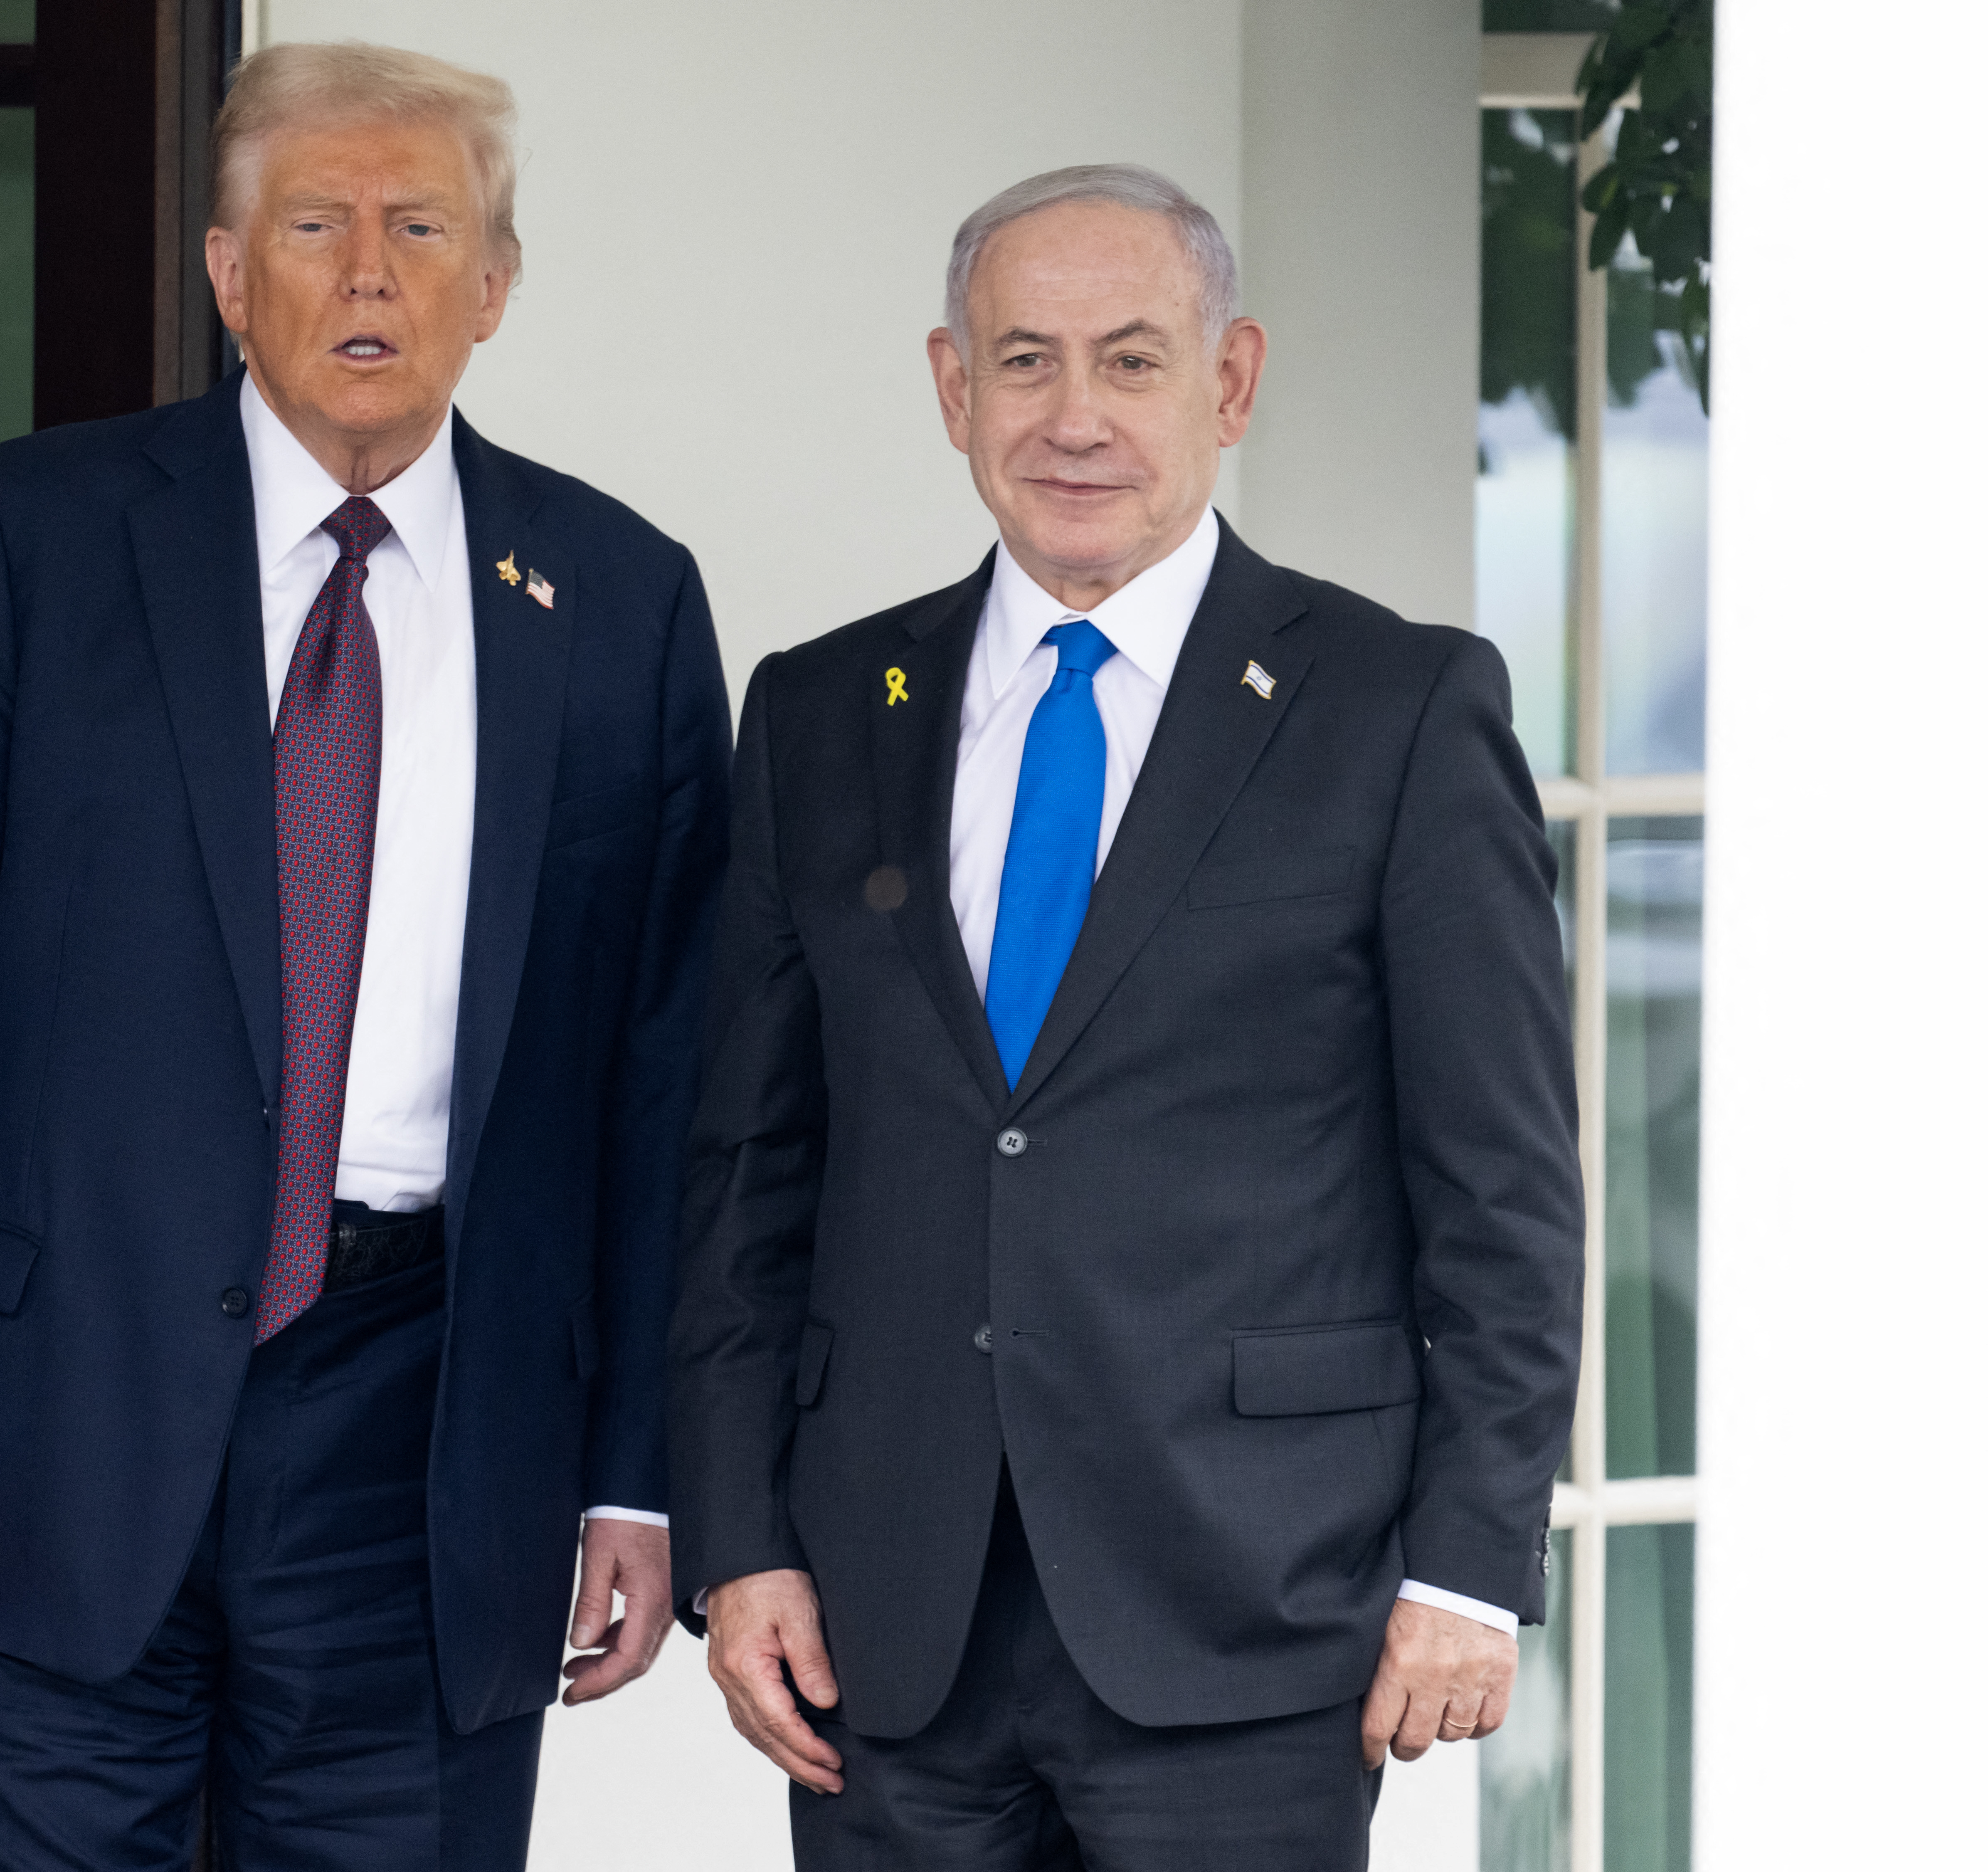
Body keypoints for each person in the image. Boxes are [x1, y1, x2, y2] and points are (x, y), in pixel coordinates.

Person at [0, 42, 728, 1870]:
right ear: (228, 274)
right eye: (313, 223)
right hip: (36, 1431)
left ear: (494, 284)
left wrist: (635, 1467)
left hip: (431, 1441)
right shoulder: (18, 539)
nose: (366, 271)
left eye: (419, 227)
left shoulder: (618, 600)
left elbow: (663, 1076)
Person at [670, 164, 1583, 1870]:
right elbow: (746, 1169)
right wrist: (739, 1543)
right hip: (885, 1624)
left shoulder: (1393, 708)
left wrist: (1467, 1566)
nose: (1071, 415)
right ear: (950, 389)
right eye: (1020, 361)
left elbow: (1502, 1190)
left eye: (1131, 359)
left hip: (1247, 1610)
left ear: (1227, 383)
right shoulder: (818, 710)